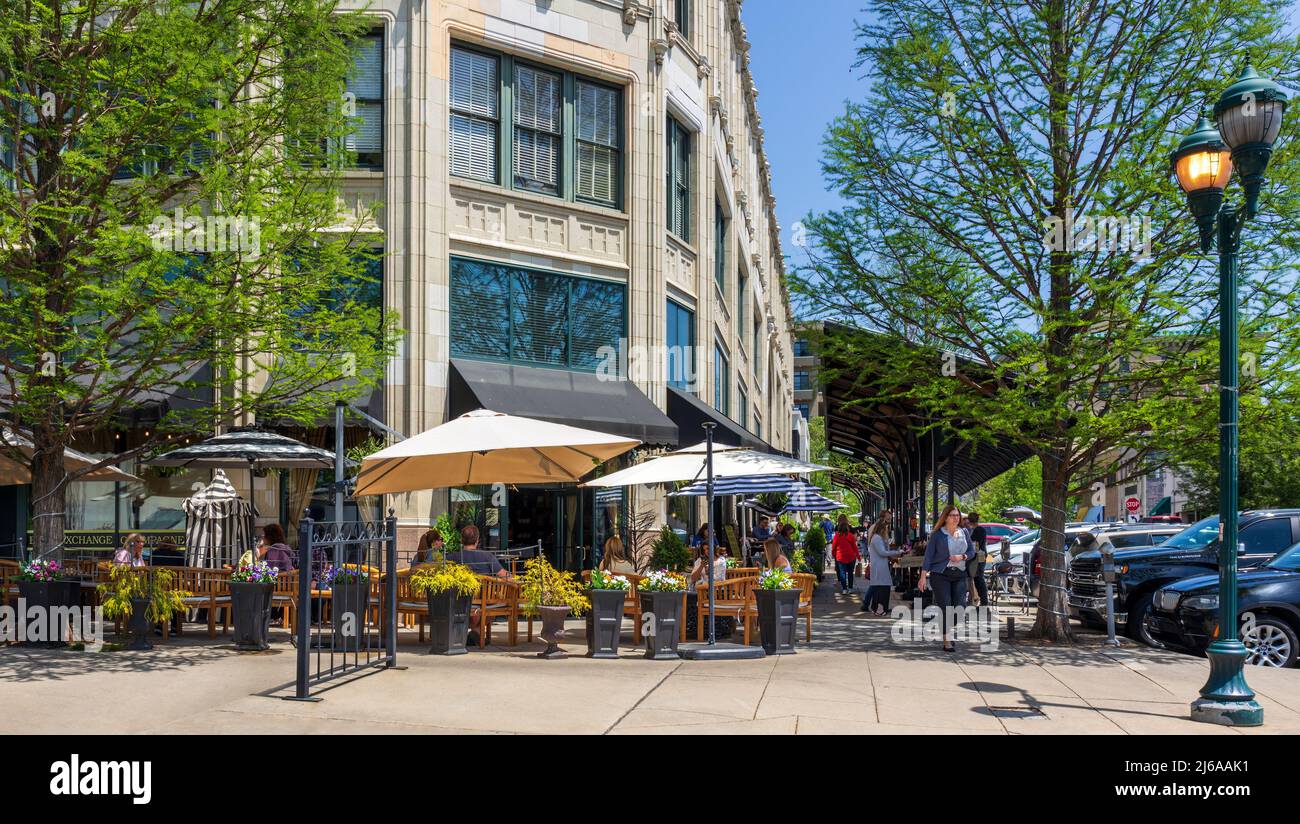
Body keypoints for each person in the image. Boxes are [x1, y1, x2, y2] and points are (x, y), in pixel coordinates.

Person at [920, 505, 974, 652]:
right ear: (945, 517)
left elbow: (971, 551)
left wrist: (962, 557)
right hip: (941, 574)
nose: (956, 518)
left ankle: (947, 628)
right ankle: (947, 640)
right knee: (945, 607)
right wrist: (923, 577)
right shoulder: (937, 535)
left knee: (960, 608)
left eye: (957, 515)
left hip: (960, 574)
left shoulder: (964, 532)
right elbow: (928, 556)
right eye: (952, 515)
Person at [862, 510, 902, 615]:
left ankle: (877, 606)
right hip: (878, 563)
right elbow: (881, 550)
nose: (890, 521)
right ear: (882, 518)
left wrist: (890, 556)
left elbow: (883, 548)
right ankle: (875, 607)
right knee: (877, 585)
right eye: (888, 519)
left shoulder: (880, 532)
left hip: (880, 562)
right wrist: (895, 553)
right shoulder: (876, 534)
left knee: (877, 585)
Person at [831, 514, 859, 595]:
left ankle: (844, 588)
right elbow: (855, 542)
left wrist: (834, 554)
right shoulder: (850, 531)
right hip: (851, 555)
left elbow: (834, 544)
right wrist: (858, 556)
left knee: (842, 572)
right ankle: (850, 588)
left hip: (840, 554)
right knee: (850, 572)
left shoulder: (837, 531)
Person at [966, 511, 989, 607]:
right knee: (978, 578)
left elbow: (975, 545)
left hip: (977, 557)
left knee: (978, 578)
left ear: (969, 520)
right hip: (981, 556)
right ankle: (981, 600)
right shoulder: (980, 530)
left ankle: (983, 601)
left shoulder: (976, 530)